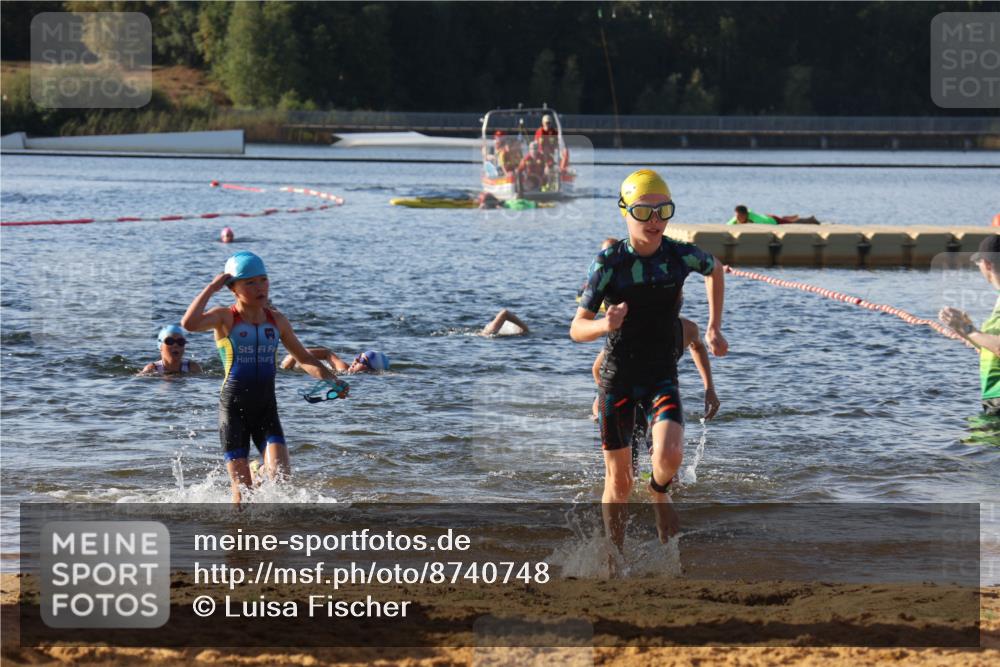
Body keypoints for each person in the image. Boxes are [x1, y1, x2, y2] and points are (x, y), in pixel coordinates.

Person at [570, 169, 727, 548]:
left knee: (670, 454)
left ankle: (659, 492)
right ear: (625, 211)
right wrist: (604, 324)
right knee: (619, 482)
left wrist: (713, 326)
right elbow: (577, 329)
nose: (655, 221)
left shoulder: (679, 254)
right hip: (618, 376)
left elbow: (715, 268)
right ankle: (613, 554)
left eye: (663, 211)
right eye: (644, 212)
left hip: (660, 374)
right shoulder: (608, 263)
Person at [181, 250, 344, 504]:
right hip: (233, 410)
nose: (260, 287)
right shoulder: (225, 317)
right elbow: (189, 324)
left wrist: (332, 380)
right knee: (242, 495)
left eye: (263, 280)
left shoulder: (277, 321)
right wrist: (211, 288)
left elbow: (304, 359)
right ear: (233, 288)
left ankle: (269, 535)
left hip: (266, 409)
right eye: (250, 282)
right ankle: (238, 541)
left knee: (281, 480)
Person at [939, 234, 1000, 415]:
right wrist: (962, 328)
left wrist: (969, 330)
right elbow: (990, 346)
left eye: (978, 264)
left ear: (987, 264)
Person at [281, 348, 390, 374]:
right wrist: (297, 354)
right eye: (358, 356)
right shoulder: (344, 369)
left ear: (370, 368)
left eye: (362, 359)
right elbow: (328, 353)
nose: (356, 359)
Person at [727, 205, 819, 225]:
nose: (738, 218)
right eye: (737, 216)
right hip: (768, 216)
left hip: (773, 220)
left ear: (745, 215)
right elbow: (728, 225)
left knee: (791, 224)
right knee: (786, 220)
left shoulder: (755, 219)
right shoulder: (736, 218)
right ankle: (790, 217)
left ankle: (811, 219)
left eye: (740, 216)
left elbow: (762, 226)